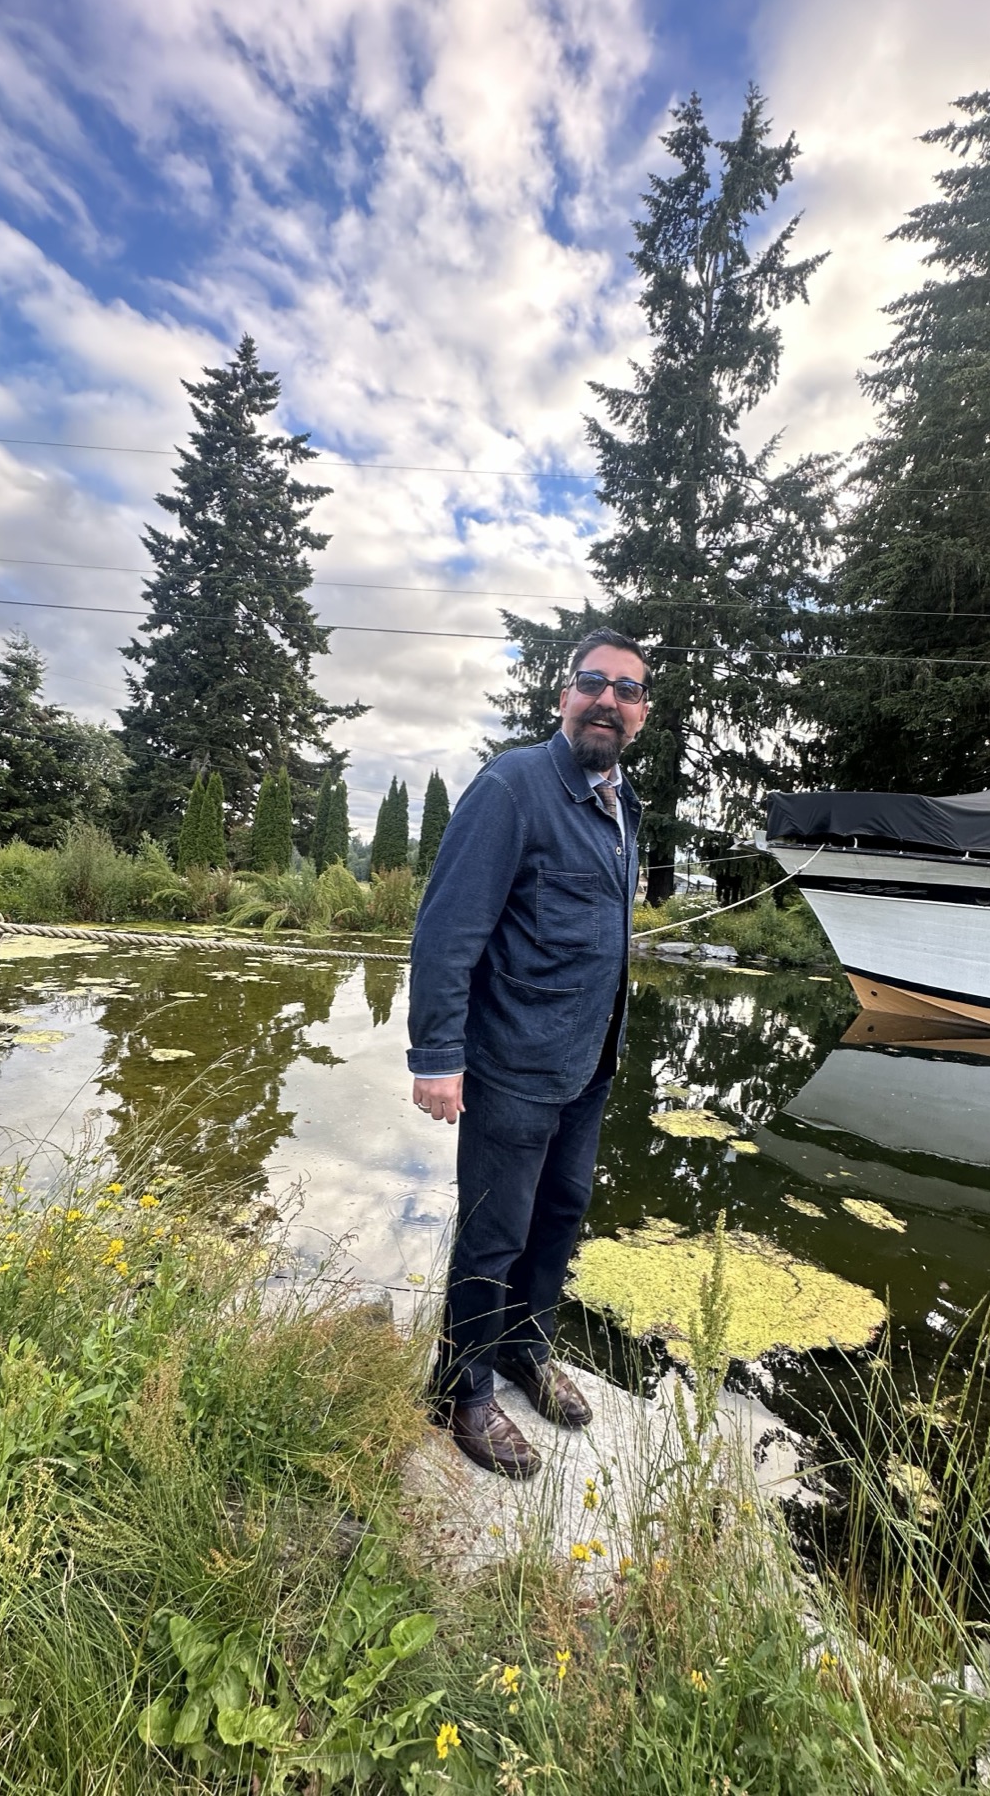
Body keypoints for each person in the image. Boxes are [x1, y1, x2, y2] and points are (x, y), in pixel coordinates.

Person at [407, 627, 649, 1477]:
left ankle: (524, 1349)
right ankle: (462, 1392)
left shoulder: (625, 805)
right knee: (494, 1233)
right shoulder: (514, 785)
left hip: (588, 1063)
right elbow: (445, 931)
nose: (607, 701)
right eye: (593, 683)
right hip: (511, 1063)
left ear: (641, 713)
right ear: (563, 698)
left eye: (626, 690)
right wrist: (436, 1055)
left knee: (557, 1220)